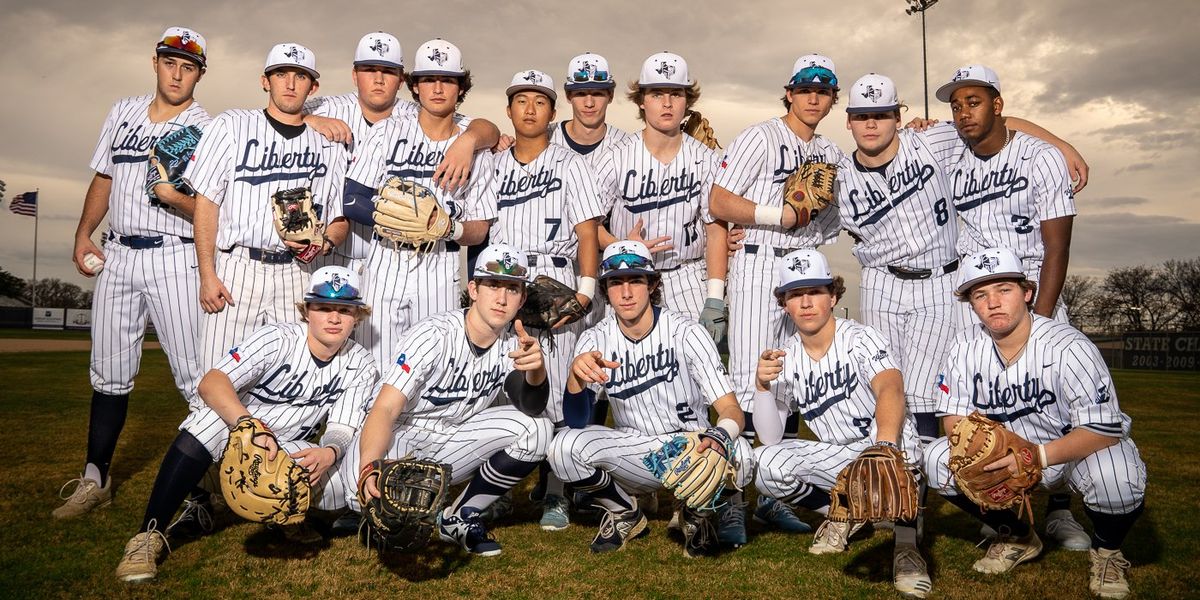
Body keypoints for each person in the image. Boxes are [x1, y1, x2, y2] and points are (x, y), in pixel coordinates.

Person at [113, 265, 379, 583]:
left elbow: (343, 427)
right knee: (208, 421)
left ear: (357, 316)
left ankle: (281, 517)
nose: (334, 318)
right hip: (238, 438)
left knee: (338, 485)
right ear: (308, 310)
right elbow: (212, 382)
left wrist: (331, 451)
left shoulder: (362, 363)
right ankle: (148, 535)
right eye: (323, 307)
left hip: (285, 451)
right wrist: (247, 425)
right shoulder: (276, 339)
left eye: (344, 310)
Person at [924, 248, 1146, 599]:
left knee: (1117, 478)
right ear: (970, 303)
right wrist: (981, 453)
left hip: (1069, 454)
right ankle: (1017, 535)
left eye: (1004, 290)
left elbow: (1103, 430)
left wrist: (1033, 458)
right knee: (936, 459)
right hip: (1004, 457)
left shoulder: (1068, 346)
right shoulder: (964, 348)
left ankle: (1107, 551)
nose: (993, 302)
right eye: (981, 294)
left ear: (1027, 293)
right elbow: (953, 417)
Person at [56, 27, 213, 520]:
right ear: (155, 63)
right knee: (108, 373)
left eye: (188, 66)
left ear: (200, 75)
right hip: (118, 254)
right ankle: (94, 478)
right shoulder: (122, 111)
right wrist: (85, 232)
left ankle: (201, 490)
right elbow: (104, 176)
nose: (177, 72)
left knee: (194, 378)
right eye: (171, 62)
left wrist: (175, 198)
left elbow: (212, 207)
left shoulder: (207, 128)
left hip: (175, 255)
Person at [708, 53, 845, 534]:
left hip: (804, 267)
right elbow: (719, 200)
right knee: (750, 382)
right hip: (760, 263)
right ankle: (730, 497)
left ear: (832, 98)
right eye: (805, 88)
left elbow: (832, 218)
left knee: (788, 383)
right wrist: (778, 216)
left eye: (823, 89)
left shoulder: (832, 153)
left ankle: (772, 492)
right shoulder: (760, 135)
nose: (813, 96)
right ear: (789, 92)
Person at [547, 241, 754, 558]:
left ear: (653, 284)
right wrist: (575, 377)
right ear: (605, 288)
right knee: (562, 447)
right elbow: (576, 423)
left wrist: (718, 436)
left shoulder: (686, 332)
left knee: (740, 451)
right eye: (616, 282)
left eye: (635, 280)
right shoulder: (595, 338)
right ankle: (624, 512)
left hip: (689, 448)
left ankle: (695, 514)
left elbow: (731, 411)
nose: (626, 293)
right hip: (636, 452)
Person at [350, 243, 553, 557]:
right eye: (493, 285)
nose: (501, 298)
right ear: (473, 289)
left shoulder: (513, 345)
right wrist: (368, 467)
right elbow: (386, 407)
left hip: (454, 439)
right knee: (345, 497)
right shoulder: (435, 335)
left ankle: (459, 516)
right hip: (402, 438)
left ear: (522, 298)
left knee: (537, 429)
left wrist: (536, 372)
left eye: (512, 289)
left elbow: (531, 406)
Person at [752, 248, 930, 597]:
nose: (805, 303)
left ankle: (906, 544)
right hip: (841, 458)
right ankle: (845, 514)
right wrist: (761, 387)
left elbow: (890, 388)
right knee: (764, 463)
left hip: (890, 446)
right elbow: (771, 437)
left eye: (814, 291)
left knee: (903, 459)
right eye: (795, 294)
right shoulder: (785, 355)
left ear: (833, 296)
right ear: (784, 303)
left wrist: (885, 446)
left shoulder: (860, 338)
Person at [484, 69, 605, 530]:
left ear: (553, 113)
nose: (530, 109)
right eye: (521, 101)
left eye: (540, 101)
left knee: (555, 388)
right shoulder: (492, 164)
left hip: (556, 273)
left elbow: (587, 232)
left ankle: (556, 491)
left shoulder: (572, 164)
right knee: (501, 389)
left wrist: (586, 291)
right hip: (505, 279)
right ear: (509, 109)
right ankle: (496, 489)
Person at [189, 43, 349, 372]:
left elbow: (339, 218)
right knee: (217, 373)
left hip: (296, 272)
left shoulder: (329, 144)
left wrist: (326, 242)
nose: (290, 84)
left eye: (300, 76)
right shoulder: (231, 125)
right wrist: (207, 273)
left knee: (290, 377)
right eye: (281, 74)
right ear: (266, 81)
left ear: (313, 86)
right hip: (237, 268)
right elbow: (206, 203)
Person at [341, 38, 494, 370]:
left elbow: (480, 229)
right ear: (415, 86)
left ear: (460, 87)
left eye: (447, 79)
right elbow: (352, 199)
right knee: (372, 366)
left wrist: (446, 227)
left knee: (431, 366)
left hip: (439, 266)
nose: (438, 88)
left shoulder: (475, 149)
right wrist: (399, 219)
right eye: (428, 79)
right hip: (385, 261)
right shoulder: (386, 132)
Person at [301, 32, 500, 270]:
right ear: (355, 75)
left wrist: (470, 140)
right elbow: (281, 112)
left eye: (388, 71)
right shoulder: (326, 107)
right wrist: (308, 118)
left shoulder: (416, 112)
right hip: (338, 249)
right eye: (369, 69)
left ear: (401, 79)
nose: (378, 79)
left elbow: (485, 128)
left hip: (411, 253)